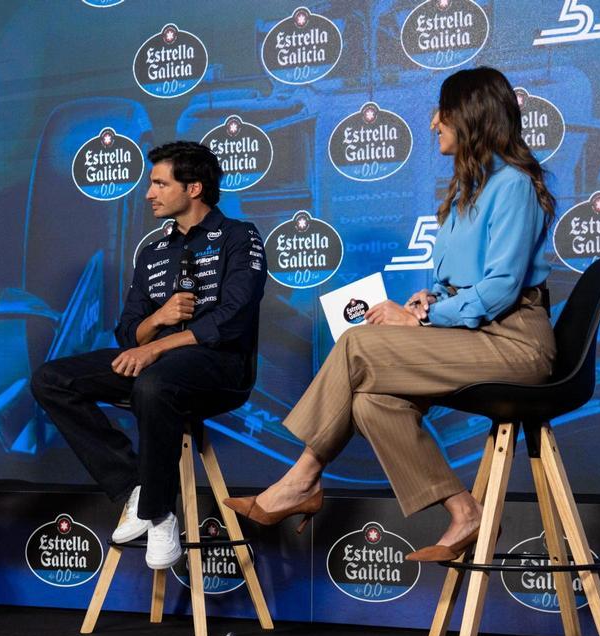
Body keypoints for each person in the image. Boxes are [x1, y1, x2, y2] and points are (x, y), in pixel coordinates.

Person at [226, 67, 557, 562]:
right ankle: (464, 511)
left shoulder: (513, 185)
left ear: (471, 116)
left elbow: (501, 289)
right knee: (371, 402)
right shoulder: (468, 189)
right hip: (475, 334)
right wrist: (429, 301)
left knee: (357, 344)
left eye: (442, 113)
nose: (433, 123)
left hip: (515, 343)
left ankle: (301, 480)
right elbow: (465, 280)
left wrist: (421, 321)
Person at [31, 141, 267, 569]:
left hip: (220, 370)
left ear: (193, 188)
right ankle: (136, 490)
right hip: (154, 366)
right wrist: (158, 319)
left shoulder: (239, 236)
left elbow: (232, 319)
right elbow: (128, 332)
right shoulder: (153, 251)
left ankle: (157, 514)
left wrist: (155, 347)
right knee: (51, 379)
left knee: (155, 382)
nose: (148, 193)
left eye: (159, 183)